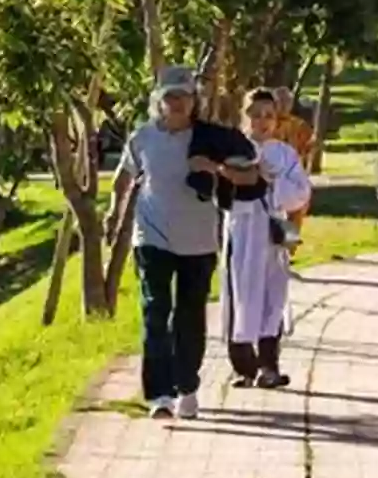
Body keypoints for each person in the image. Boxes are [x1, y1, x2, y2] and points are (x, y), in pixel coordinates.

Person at [105, 66, 261, 419]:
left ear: (195, 101)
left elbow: (252, 173)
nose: (177, 103)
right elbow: (125, 175)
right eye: (170, 97)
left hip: (198, 241)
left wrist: (216, 170)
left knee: (189, 317)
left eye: (184, 97)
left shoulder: (212, 139)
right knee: (155, 310)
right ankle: (159, 394)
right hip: (152, 237)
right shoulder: (143, 137)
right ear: (158, 102)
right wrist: (114, 212)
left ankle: (187, 386)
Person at [221, 88, 312, 389]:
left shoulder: (284, 154)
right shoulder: (232, 149)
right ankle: (243, 367)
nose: (261, 122)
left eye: (268, 116)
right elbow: (221, 192)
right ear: (243, 116)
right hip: (243, 230)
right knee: (241, 295)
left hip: (271, 232)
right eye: (254, 114)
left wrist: (274, 181)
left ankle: (269, 366)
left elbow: (301, 193)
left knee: (273, 298)